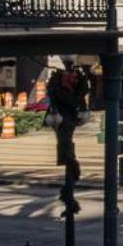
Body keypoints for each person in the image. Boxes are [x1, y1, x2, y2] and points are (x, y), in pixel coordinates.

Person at [45, 62, 88, 215]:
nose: (75, 79)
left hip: (65, 121)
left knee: (66, 149)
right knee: (66, 150)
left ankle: (68, 193)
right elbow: (70, 99)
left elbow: (79, 95)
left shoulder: (65, 90)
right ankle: (68, 193)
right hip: (63, 121)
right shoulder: (61, 92)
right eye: (72, 78)